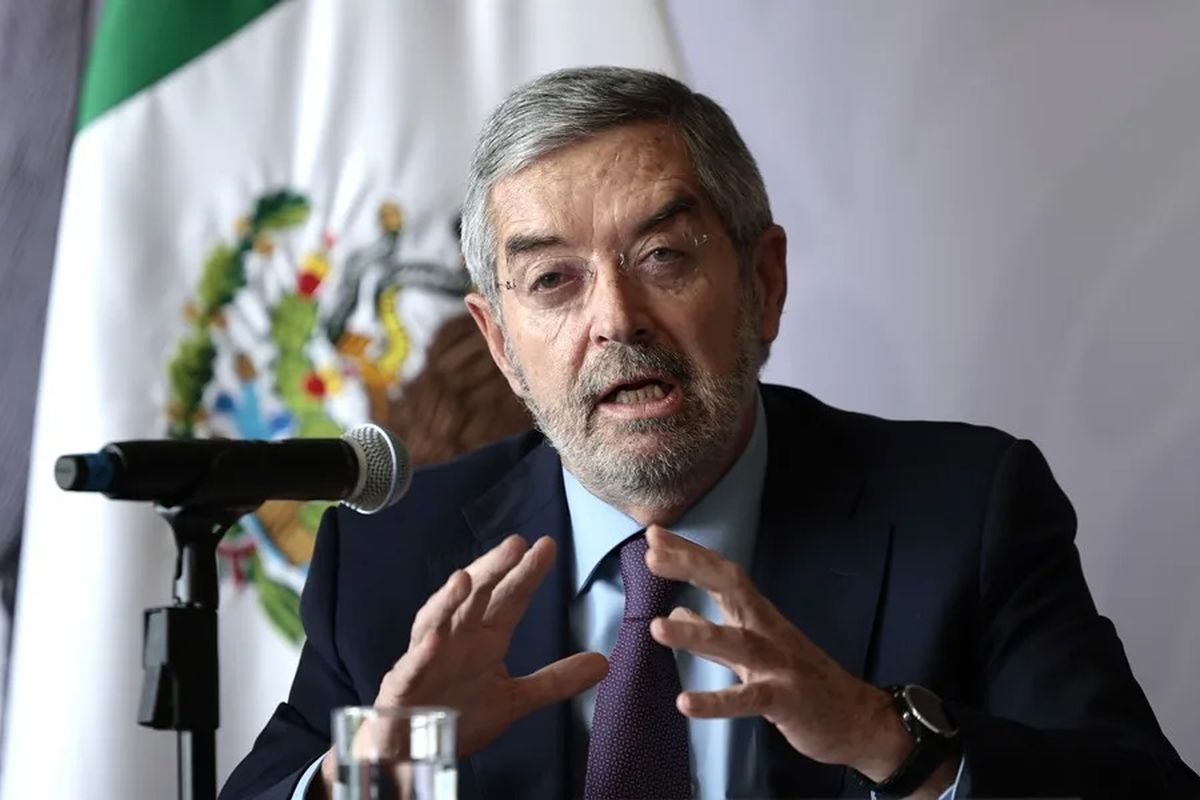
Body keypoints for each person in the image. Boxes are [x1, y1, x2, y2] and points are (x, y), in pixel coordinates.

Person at [221, 67, 1200, 800]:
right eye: (554, 280)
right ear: (501, 343)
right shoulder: (394, 556)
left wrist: (885, 735)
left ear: (764, 283)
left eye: (663, 255)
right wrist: (373, 773)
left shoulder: (965, 511)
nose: (617, 319)